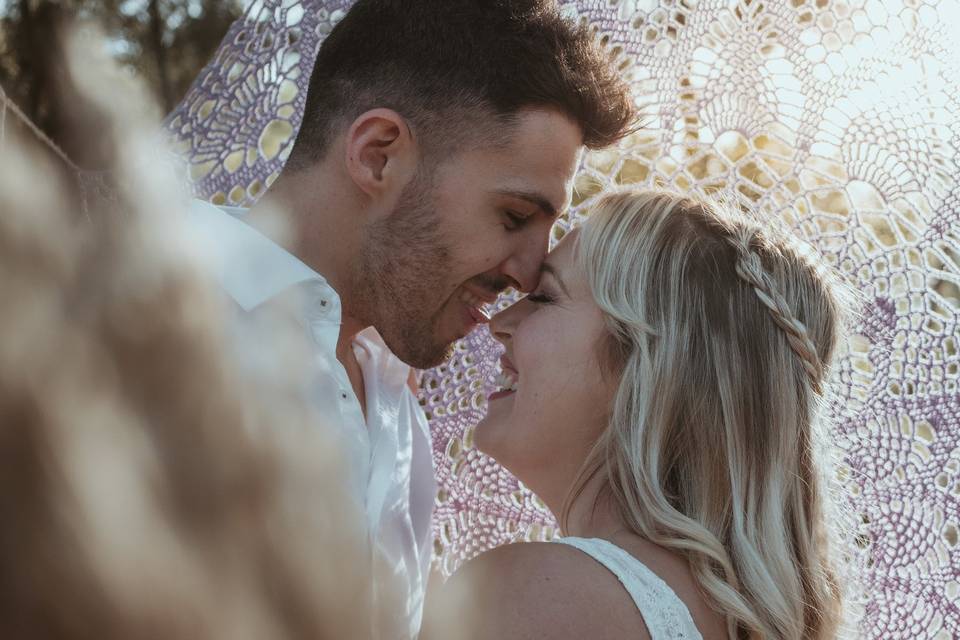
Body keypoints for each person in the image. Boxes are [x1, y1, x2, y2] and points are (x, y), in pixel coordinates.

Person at [187, 0, 637, 636]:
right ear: (378, 156)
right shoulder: (138, 321)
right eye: (513, 216)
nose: (530, 275)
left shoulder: (398, 414)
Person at [422, 190, 848, 640]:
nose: (499, 321)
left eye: (545, 297)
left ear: (646, 369)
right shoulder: (740, 619)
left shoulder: (534, 597)